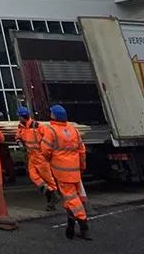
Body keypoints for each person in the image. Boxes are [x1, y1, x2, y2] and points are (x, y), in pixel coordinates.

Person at [40, 103, 91, 240]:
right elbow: (81, 150)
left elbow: (45, 150)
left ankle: (83, 224)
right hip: (74, 170)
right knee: (73, 197)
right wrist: (82, 166)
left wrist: (51, 159)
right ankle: (71, 222)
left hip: (61, 171)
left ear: (54, 116)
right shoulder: (73, 130)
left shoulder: (51, 131)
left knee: (71, 198)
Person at [15, 105, 59, 209]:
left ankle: (53, 197)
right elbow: (18, 136)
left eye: (19, 116)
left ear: (22, 116)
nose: (19, 119)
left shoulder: (37, 126)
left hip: (40, 156)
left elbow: (48, 137)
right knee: (33, 176)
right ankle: (49, 191)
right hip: (31, 155)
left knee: (48, 178)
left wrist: (47, 150)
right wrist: (20, 143)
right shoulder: (21, 126)